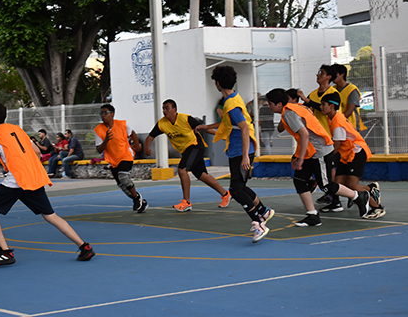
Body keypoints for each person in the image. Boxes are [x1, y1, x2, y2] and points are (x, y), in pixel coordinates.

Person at [0, 102, 95, 265]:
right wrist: (29, 168)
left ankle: (5, 252)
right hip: (32, 178)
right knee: (51, 216)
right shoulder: (18, 130)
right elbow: (37, 152)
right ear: (6, 116)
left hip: (16, 180)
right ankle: (84, 247)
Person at [265, 89, 371, 227]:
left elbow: (305, 135)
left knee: (326, 186)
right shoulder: (295, 108)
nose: (268, 106)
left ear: (279, 104)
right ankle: (312, 215)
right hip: (311, 151)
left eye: (270, 103)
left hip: (319, 151)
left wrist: (300, 158)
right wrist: (296, 157)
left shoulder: (289, 113)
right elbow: (303, 137)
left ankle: (358, 196)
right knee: (300, 180)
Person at [195, 66, 273, 243]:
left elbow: (244, 128)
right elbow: (226, 125)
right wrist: (206, 127)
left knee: (236, 189)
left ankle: (258, 222)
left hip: (241, 151)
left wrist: (246, 156)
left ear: (218, 83)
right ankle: (263, 211)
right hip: (237, 150)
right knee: (241, 186)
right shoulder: (233, 98)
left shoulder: (230, 104)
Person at [144, 99, 231, 213]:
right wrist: (146, 147)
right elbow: (150, 137)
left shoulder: (186, 118)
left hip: (195, 145)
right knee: (202, 175)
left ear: (174, 109)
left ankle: (186, 202)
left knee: (182, 169)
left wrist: (222, 136)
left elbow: (205, 128)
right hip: (186, 150)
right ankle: (225, 194)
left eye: (167, 108)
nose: (164, 111)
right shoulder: (162, 124)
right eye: (163, 108)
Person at [320, 93, 385, 219]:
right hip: (347, 154)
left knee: (352, 185)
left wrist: (325, 158)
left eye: (323, 104)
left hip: (356, 152)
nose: (321, 107)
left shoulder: (337, 122)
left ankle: (377, 208)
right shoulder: (333, 118)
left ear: (332, 106)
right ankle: (370, 189)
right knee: (338, 184)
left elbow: (336, 147)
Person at [94, 104, 148, 213]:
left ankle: (137, 198)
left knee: (123, 177)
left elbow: (132, 133)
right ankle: (140, 201)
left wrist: (137, 146)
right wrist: (106, 141)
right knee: (122, 185)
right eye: (101, 113)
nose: (103, 116)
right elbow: (99, 149)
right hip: (113, 160)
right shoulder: (98, 130)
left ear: (112, 114)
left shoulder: (122, 124)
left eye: (105, 113)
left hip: (125, 155)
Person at [297, 64, 339, 136]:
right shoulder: (313, 94)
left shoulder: (333, 93)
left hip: (329, 133)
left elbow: (327, 110)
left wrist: (307, 100)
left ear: (329, 77)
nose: (317, 75)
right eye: (318, 72)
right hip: (315, 133)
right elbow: (304, 109)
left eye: (321, 73)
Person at [332, 64, 367, 132]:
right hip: (337, 126)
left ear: (342, 74)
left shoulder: (352, 90)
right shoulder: (332, 90)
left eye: (334, 73)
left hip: (351, 127)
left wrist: (336, 121)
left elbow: (349, 111)